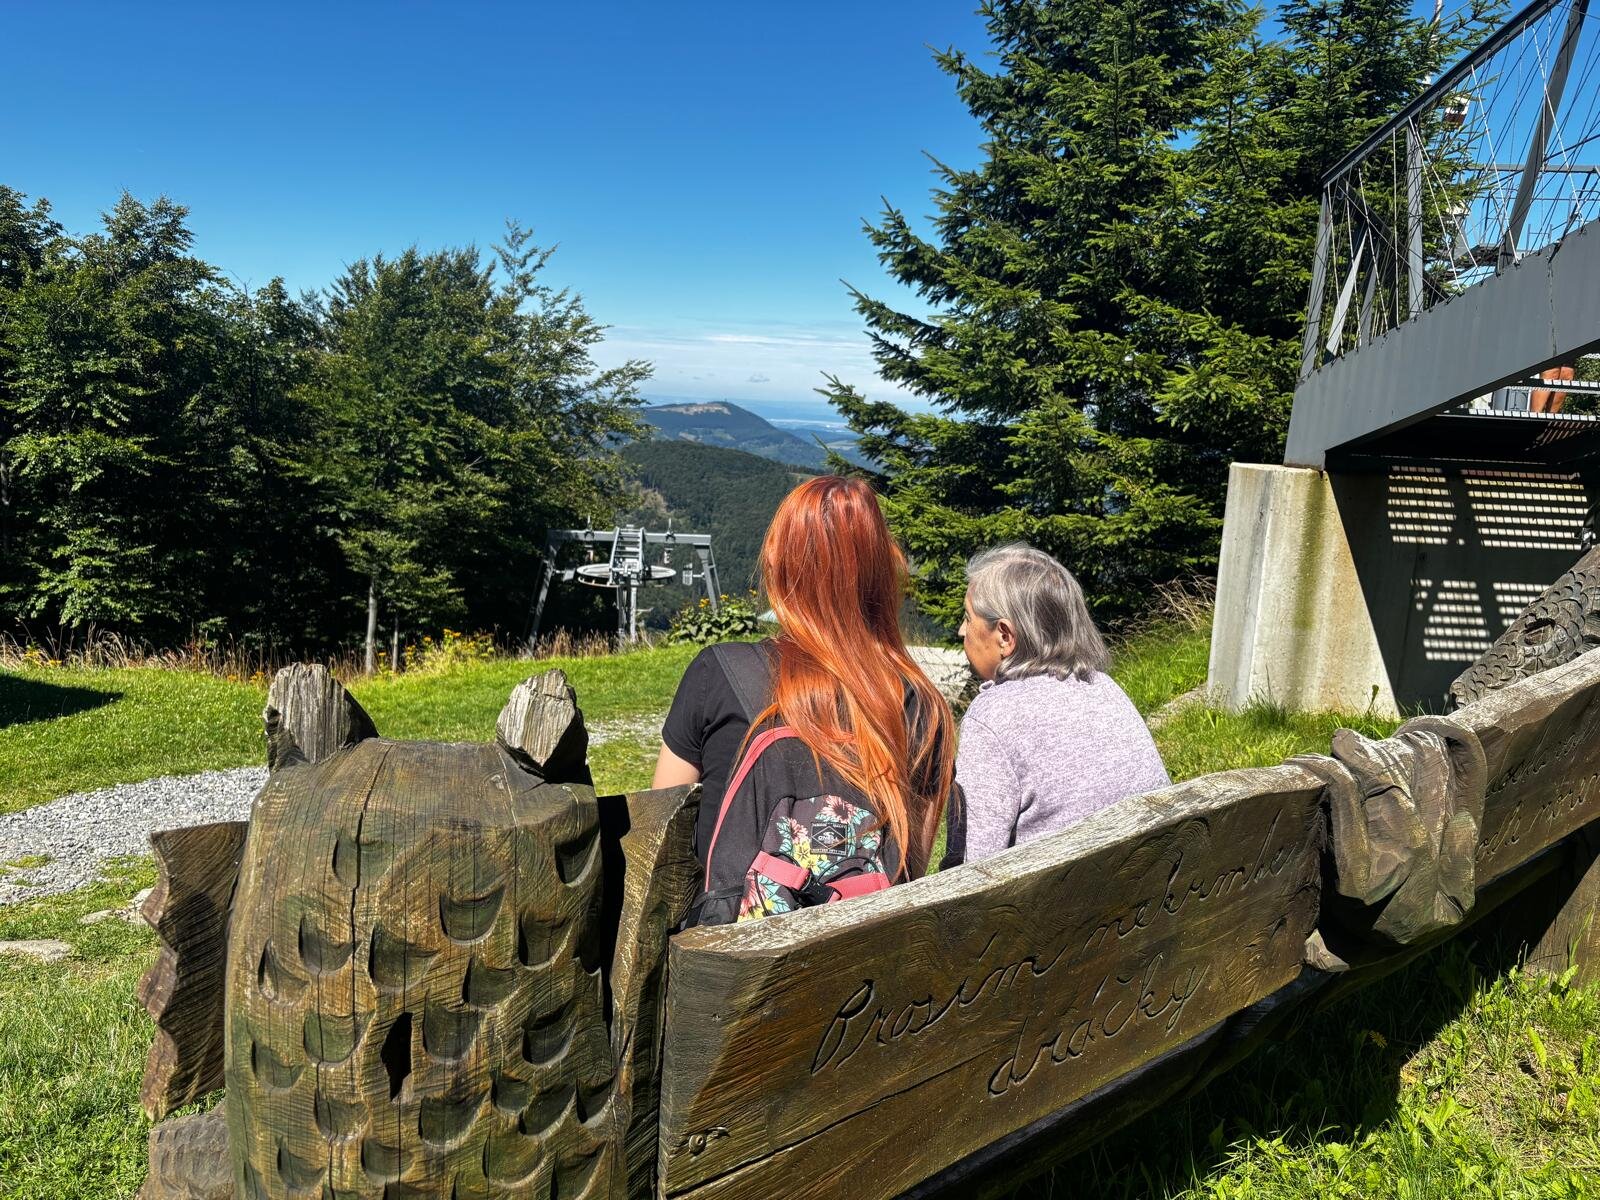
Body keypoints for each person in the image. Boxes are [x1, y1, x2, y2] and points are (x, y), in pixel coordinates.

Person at [652, 476, 957, 920]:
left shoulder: (720, 672)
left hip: (727, 954)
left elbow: (660, 833)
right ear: (881, 572)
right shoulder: (924, 710)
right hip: (864, 954)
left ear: (779, 564)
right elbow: (907, 868)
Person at [947, 543, 1168, 863]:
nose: (961, 630)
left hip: (1065, 895)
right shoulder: (1105, 687)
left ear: (1005, 636)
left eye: (968, 618)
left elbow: (971, 869)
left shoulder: (992, 717)